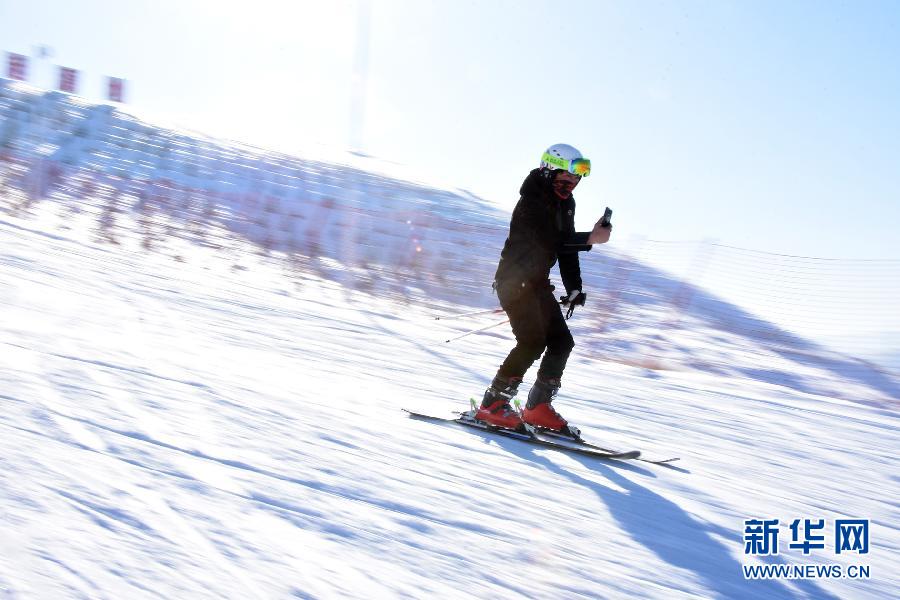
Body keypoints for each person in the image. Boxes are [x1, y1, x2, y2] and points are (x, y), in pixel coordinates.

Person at [475, 143, 611, 433]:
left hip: (536, 283)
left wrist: (574, 287)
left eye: (576, 180)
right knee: (532, 342)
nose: (571, 184)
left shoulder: (565, 203)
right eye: (566, 178)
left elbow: (565, 249)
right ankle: (492, 405)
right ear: (548, 170)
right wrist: (591, 238)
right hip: (514, 281)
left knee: (562, 342)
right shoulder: (532, 201)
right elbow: (551, 241)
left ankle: (537, 407)